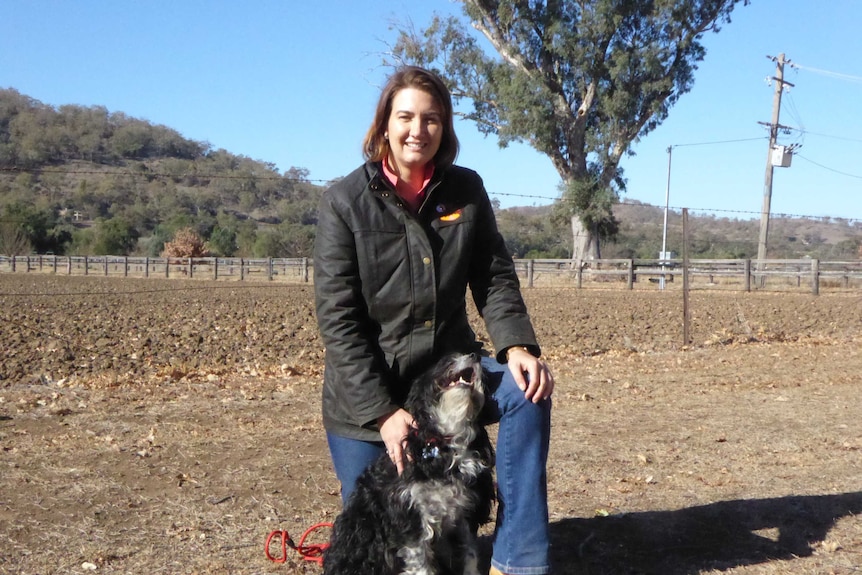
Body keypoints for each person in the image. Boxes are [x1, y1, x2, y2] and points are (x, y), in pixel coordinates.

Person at [313, 65, 555, 575]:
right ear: (384, 125)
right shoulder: (343, 204)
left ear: (445, 129)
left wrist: (516, 347)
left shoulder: (465, 190)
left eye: (432, 119)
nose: (417, 130)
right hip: (369, 391)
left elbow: (493, 275)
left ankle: (519, 561)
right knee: (378, 527)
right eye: (405, 117)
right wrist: (382, 412)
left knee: (527, 392)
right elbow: (339, 321)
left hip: (448, 369)